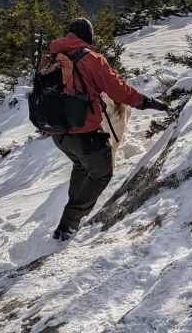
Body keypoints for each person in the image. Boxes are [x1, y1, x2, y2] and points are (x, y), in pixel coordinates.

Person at [47, 17, 168, 241]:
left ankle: (73, 216)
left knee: (83, 167)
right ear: (88, 36)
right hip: (83, 133)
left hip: (58, 133)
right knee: (102, 172)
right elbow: (119, 91)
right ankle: (68, 226)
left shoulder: (52, 57)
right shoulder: (91, 59)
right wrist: (146, 102)